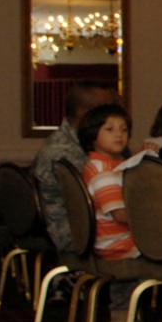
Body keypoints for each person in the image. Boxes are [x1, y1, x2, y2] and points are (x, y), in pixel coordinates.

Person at [76, 102, 159, 322]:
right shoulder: (103, 172)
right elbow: (121, 214)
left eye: (123, 129)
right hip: (117, 242)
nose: (119, 134)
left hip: (116, 240)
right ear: (92, 135)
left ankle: (152, 320)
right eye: (110, 129)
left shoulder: (111, 166)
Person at [33, 82, 114, 249]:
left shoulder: (93, 141)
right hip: (74, 231)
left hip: (94, 221)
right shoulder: (62, 151)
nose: (111, 116)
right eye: (104, 110)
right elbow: (99, 195)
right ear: (82, 113)